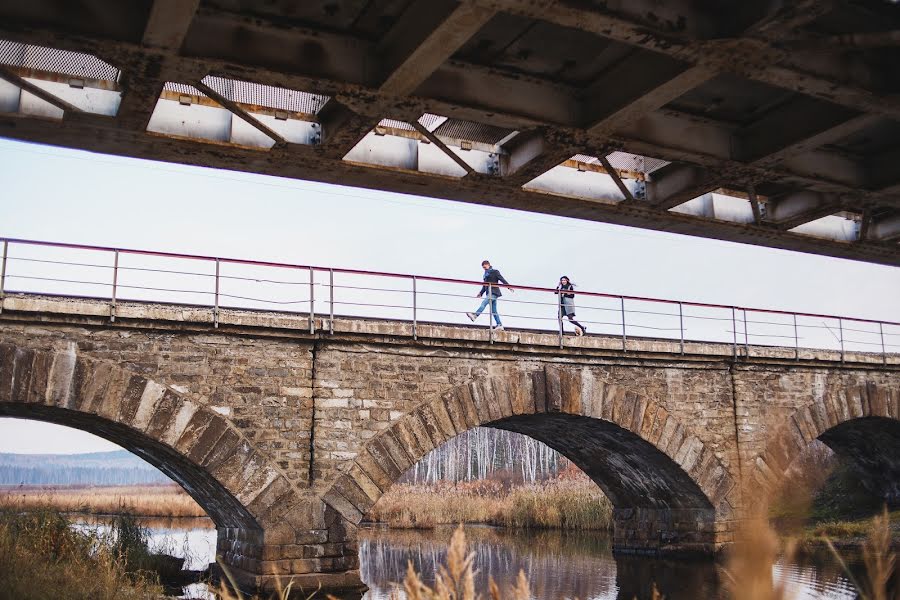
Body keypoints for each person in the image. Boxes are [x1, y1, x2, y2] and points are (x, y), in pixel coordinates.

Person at [466, 260, 513, 330]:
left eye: (485, 267)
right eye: (483, 268)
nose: (484, 269)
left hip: (494, 292)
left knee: (484, 303)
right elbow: (485, 285)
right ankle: (499, 324)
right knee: (494, 311)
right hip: (489, 293)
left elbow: (502, 279)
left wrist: (509, 287)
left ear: (488, 265)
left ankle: (475, 315)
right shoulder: (485, 274)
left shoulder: (495, 271)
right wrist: (481, 293)